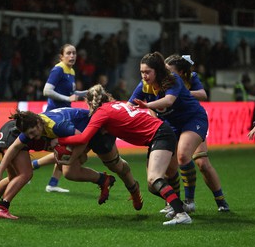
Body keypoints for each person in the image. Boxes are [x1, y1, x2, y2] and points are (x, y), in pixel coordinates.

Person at [53, 84, 191, 226]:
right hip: (160, 133)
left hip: (160, 135)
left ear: (89, 103)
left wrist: (59, 140)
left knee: (154, 178)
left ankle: (181, 214)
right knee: (151, 185)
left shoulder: (101, 112)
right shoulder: (117, 104)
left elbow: (83, 138)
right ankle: (179, 206)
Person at [0, 108, 117, 219]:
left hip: (14, 131)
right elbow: (15, 147)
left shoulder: (55, 127)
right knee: (25, 174)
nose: (32, 137)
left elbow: (78, 143)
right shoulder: (54, 127)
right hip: (12, 134)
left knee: (68, 172)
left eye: (33, 134)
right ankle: (1, 207)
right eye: (31, 135)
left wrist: (71, 158)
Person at [128, 51, 209, 216]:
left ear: (157, 70)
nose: (144, 75)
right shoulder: (143, 85)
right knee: (169, 170)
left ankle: (189, 202)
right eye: (142, 72)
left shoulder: (172, 79)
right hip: (170, 124)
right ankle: (174, 203)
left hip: (192, 119)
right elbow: (129, 105)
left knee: (183, 156)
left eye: (147, 72)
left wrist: (147, 106)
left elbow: (169, 100)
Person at [164, 54, 229, 212]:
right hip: (173, 122)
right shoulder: (161, 80)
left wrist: (181, 92)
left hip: (192, 120)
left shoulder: (190, 77)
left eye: (170, 71)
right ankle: (174, 203)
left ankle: (220, 200)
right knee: (168, 165)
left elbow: (203, 94)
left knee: (202, 162)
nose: (166, 74)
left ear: (180, 72)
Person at [33, 44, 87, 193]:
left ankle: (52, 183)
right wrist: (67, 98)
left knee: (64, 150)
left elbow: (71, 92)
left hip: (65, 114)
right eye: (68, 53)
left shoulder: (71, 71)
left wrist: (86, 93)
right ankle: (34, 165)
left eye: (74, 53)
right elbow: (47, 90)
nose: (72, 56)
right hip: (55, 116)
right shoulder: (58, 69)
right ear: (61, 56)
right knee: (66, 149)